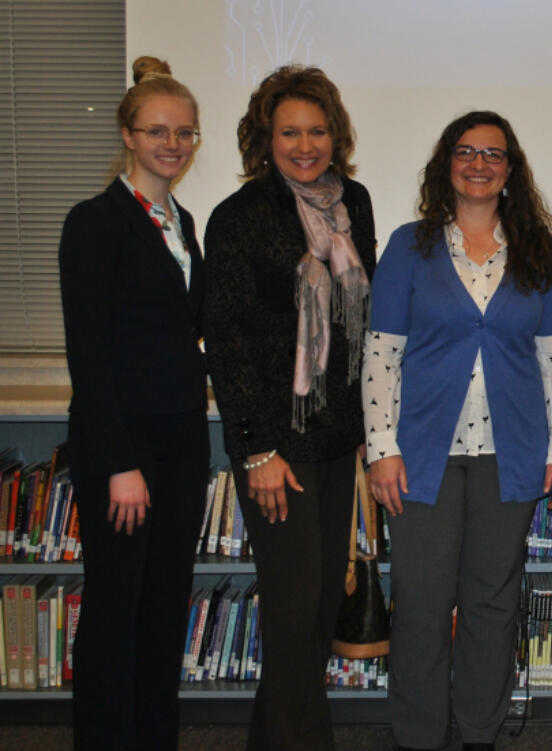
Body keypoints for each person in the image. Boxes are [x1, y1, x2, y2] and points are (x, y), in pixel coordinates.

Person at [363, 110, 552, 751]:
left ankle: (481, 734)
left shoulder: (539, 249)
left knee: (492, 604)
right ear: (446, 164)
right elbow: (381, 354)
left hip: (509, 455)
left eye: (493, 154)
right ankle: (420, 736)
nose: (479, 164)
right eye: (466, 151)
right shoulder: (409, 245)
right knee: (422, 606)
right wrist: (381, 448)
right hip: (423, 455)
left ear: (511, 170)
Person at [203, 65, 376, 751]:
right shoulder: (240, 217)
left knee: (313, 613)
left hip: (338, 439)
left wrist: (367, 428)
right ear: (263, 138)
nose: (304, 145)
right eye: (289, 132)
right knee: (293, 608)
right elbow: (227, 340)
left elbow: (362, 322)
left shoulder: (352, 202)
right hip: (277, 446)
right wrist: (257, 450)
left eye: (317, 130)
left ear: (335, 135)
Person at [59, 55, 207, 751]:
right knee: (117, 609)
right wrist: (119, 462)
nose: (171, 144)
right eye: (157, 131)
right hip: (121, 446)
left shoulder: (183, 221)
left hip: (179, 443)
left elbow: (181, 332)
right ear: (127, 133)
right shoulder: (95, 222)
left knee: (162, 607)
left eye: (183, 132)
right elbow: (89, 356)